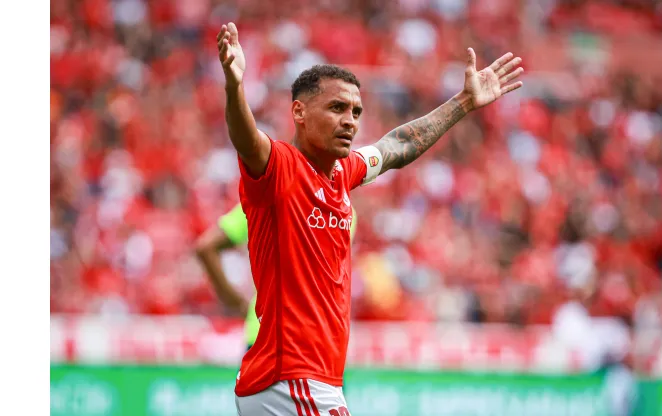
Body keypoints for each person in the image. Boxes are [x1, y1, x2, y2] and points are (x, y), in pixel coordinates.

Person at [216, 20, 523, 416]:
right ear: (299, 112)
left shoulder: (344, 174)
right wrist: (234, 85)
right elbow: (245, 137)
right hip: (292, 378)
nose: (350, 120)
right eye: (337, 108)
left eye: (356, 111)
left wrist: (463, 102)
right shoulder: (280, 167)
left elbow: (397, 145)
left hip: (305, 378)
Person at [195, 203, 358, 352]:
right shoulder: (344, 209)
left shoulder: (264, 198)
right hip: (319, 337)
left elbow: (206, 247)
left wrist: (234, 301)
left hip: (266, 332)